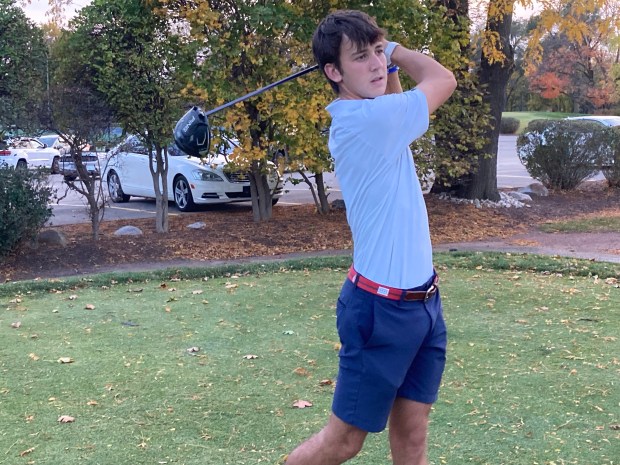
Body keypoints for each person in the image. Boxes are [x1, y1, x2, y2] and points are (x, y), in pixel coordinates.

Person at [285, 9, 457, 465]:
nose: (378, 65)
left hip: (424, 303)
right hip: (380, 310)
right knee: (343, 442)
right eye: (362, 57)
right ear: (333, 72)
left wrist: (383, 57)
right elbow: (443, 79)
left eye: (378, 52)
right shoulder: (365, 122)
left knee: (413, 437)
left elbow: (397, 100)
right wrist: (396, 46)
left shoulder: (380, 117)